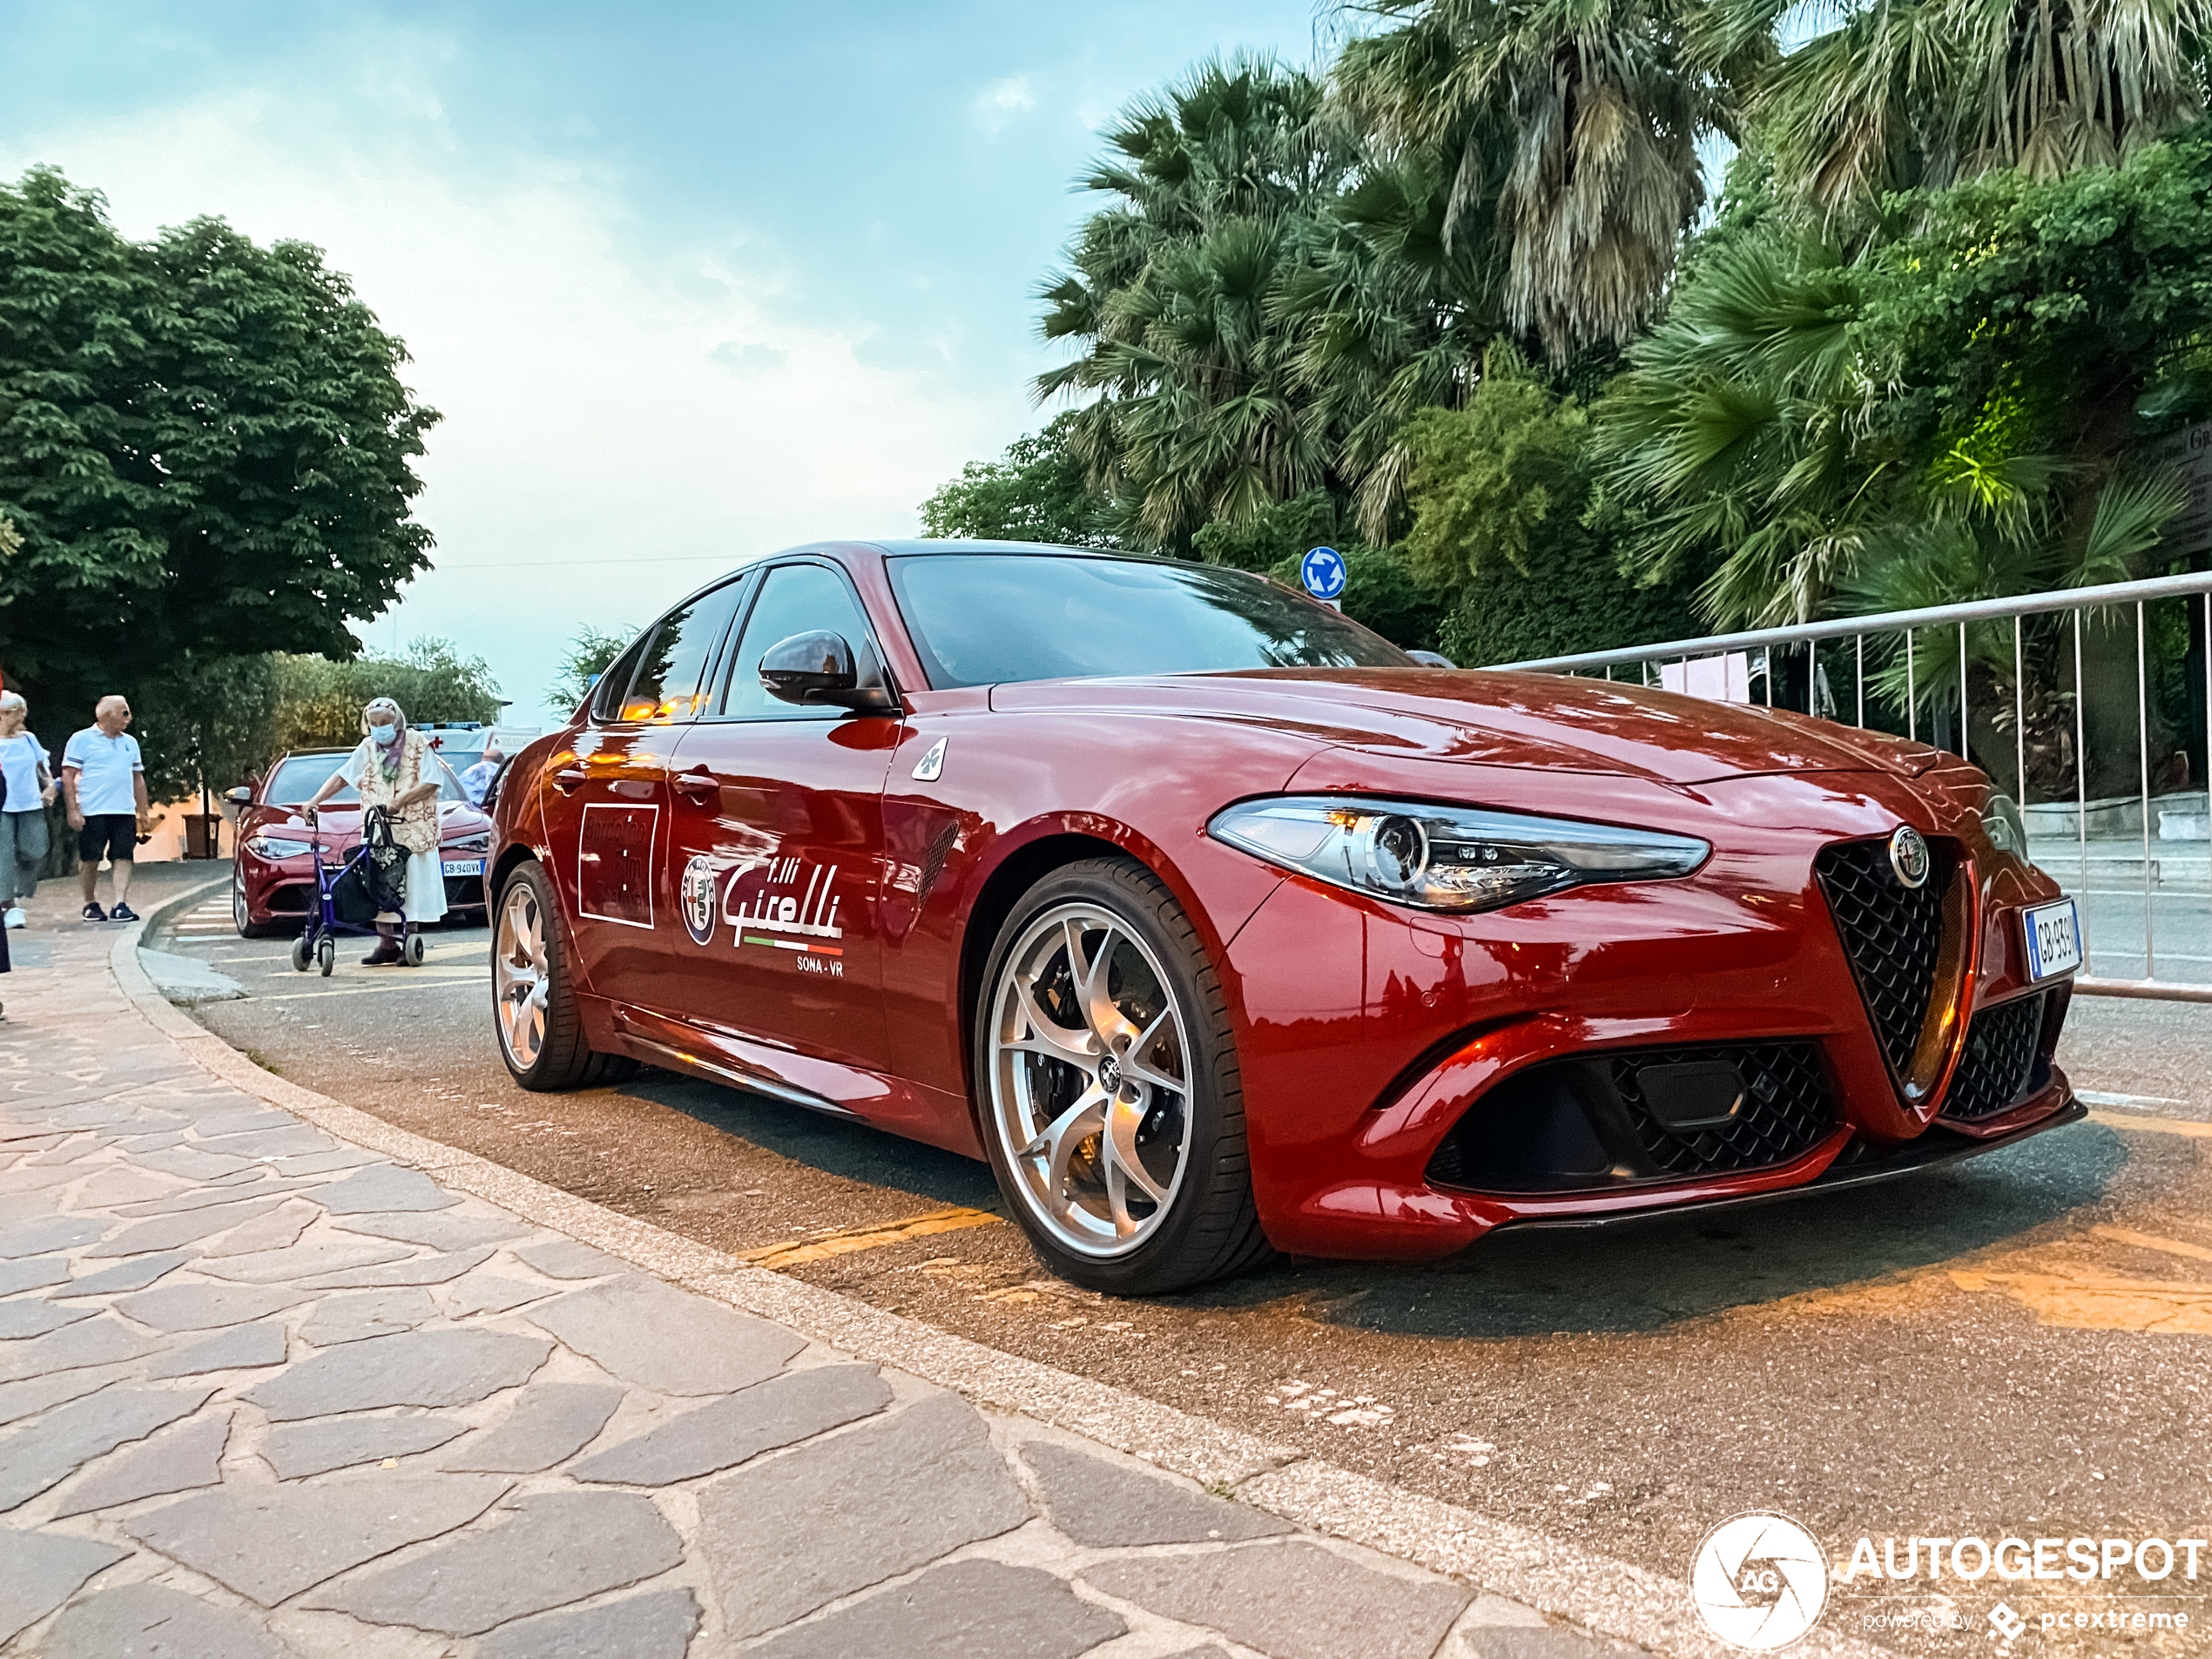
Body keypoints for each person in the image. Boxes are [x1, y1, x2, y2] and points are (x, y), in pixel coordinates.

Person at [301, 697, 448, 964]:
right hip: (377, 828)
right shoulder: (367, 748)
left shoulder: (417, 744)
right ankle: (386, 944)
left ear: (397, 720)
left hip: (412, 828)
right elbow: (342, 777)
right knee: (376, 881)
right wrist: (315, 800)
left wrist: (400, 801)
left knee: (409, 884)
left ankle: (409, 940)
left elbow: (432, 782)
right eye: (374, 723)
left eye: (385, 723)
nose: (380, 728)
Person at [62, 695, 149, 924]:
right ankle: (89, 902)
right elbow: (68, 776)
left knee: (123, 855)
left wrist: (143, 812)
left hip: (123, 810)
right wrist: (73, 809)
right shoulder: (81, 739)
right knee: (90, 858)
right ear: (108, 715)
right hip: (92, 809)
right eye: (124, 713)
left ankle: (120, 903)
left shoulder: (130, 742)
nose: (129, 718)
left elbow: (137, 778)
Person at [0, 691, 55, 928]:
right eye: (18, 712)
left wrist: (50, 786)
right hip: (2, 804)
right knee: (3, 854)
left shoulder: (29, 739)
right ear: (4, 714)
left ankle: (18, 891)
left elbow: (42, 768)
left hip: (30, 802)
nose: (23, 716)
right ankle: (9, 904)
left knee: (35, 848)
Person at [459, 740, 503, 808]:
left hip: (467, 807)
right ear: (501, 760)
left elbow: (458, 786)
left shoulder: (470, 770)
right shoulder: (500, 771)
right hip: (490, 808)